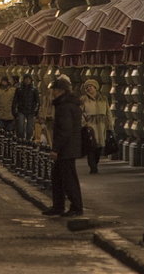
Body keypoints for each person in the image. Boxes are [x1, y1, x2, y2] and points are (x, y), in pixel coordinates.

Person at [43, 75, 84, 217]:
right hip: (68, 147)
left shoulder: (65, 107)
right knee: (58, 177)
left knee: (68, 179)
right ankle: (58, 206)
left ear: (61, 91)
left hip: (67, 148)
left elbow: (64, 130)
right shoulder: (66, 104)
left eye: (54, 90)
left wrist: (56, 149)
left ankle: (76, 207)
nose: (52, 92)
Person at [80, 78, 109, 173]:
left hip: (101, 126)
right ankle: (93, 167)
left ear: (95, 88)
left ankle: (95, 163)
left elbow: (108, 112)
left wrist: (110, 125)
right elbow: (80, 113)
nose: (89, 88)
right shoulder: (83, 99)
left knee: (99, 147)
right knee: (91, 147)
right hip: (90, 126)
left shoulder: (103, 98)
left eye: (90, 86)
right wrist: (84, 123)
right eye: (87, 87)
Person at [14, 74, 40, 141]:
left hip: (30, 111)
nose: (27, 80)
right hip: (21, 110)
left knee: (29, 128)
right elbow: (15, 100)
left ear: (31, 80)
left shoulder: (34, 90)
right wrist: (14, 110)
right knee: (20, 127)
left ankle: (28, 140)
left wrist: (36, 111)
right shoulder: (19, 89)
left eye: (29, 79)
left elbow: (37, 101)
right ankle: (21, 139)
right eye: (26, 79)